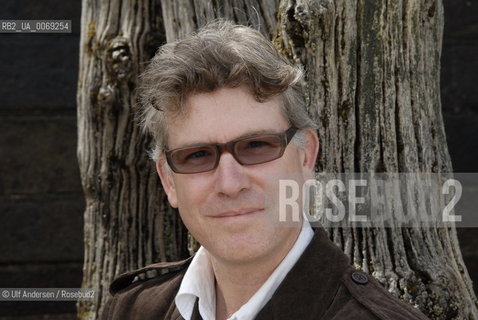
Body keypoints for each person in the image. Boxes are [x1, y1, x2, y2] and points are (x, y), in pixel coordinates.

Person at [101, 20, 429, 320]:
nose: (229, 184)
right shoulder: (132, 310)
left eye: (256, 146)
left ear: (305, 157)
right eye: (198, 155)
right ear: (169, 181)